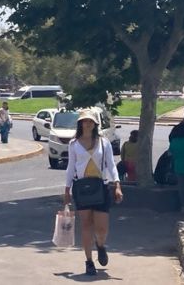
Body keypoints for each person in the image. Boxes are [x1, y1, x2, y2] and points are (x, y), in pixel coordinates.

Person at [62, 109, 122, 277]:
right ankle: (89, 261)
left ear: (95, 124)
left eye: (90, 121)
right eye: (84, 121)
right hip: (82, 188)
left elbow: (111, 164)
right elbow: (70, 168)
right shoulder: (74, 144)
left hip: (100, 187)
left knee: (102, 228)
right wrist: (67, 190)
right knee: (86, 225)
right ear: (80, 124)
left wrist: (117, 184)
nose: (87, 124)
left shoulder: (104, 142)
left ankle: (101, 245)